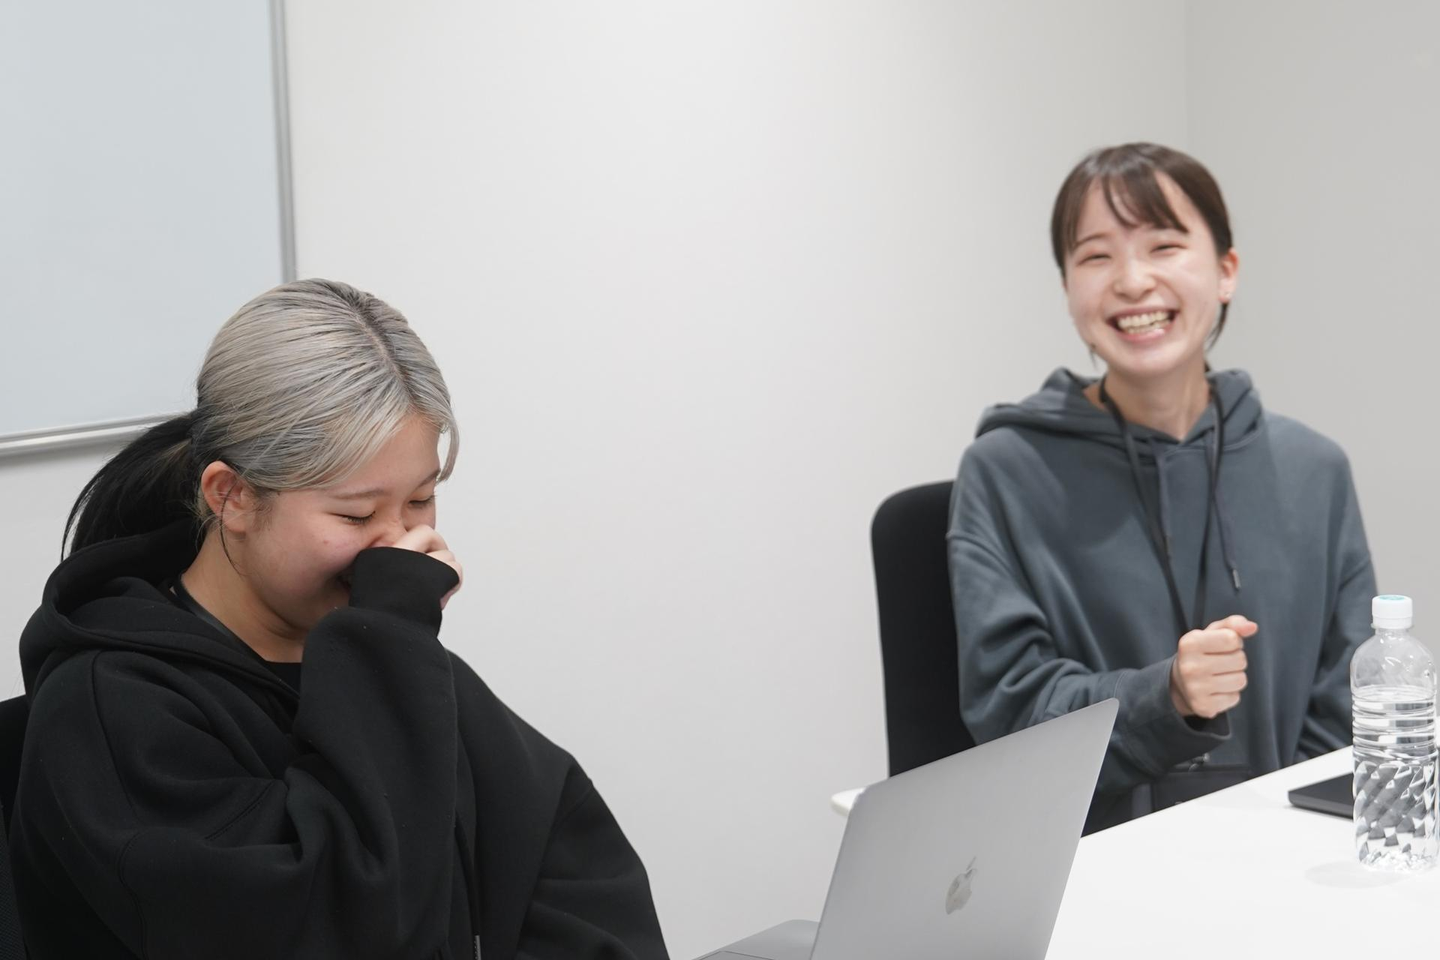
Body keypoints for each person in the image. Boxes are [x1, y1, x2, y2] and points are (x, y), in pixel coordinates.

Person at [9, 279, 670, 958]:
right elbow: (338, 924)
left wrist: (390, 648)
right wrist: (389, 642)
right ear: (232, 496)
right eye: (356, 515)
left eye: (420, 500)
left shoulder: (397, 667)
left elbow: (571, 864)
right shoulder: (110, 709)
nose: (399, 543)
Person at [947, 143, 1375, 830]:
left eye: (1164, 246)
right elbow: (1009, 710)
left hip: (1285, 857)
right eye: (1096, 256)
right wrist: (1165, 695)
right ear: (1068, 291)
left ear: (1226, 271)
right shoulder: (1005, 472)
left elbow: (1348, 709)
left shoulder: (1312, 470)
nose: (1132, 280)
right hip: (1093, 859)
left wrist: (1282, 841)